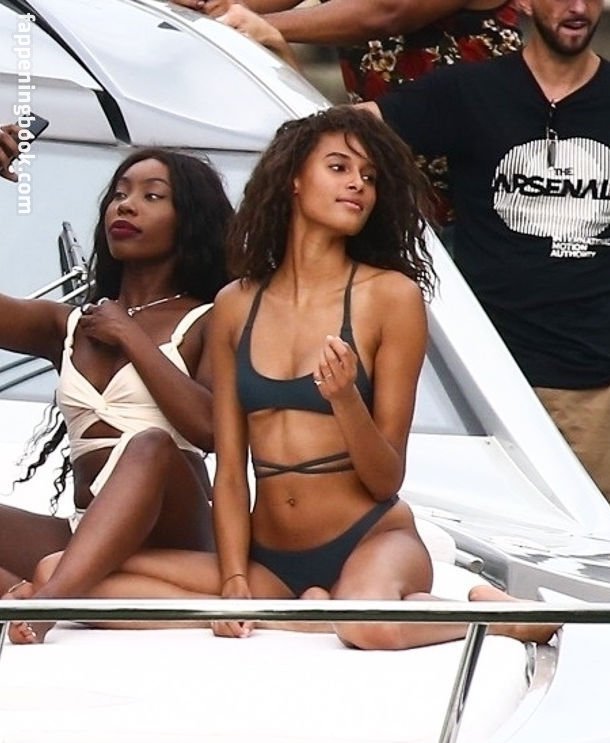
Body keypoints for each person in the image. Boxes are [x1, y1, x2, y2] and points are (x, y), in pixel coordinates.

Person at [35, 106, 555, 649]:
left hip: (370, 539)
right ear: (294, 180)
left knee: (368, 625)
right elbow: (229, 472)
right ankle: (308, 613)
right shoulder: (236, 304)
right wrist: (234, 580)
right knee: (61, 574)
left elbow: (386, 479)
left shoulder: (390, 297)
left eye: (369, 176)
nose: (358, 184)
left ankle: (497, 617)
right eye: (339, 167)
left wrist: (345, 400)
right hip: (269, 558)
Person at [357, 0, 610, 500]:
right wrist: (280, 51)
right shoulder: (470, 91)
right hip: (486, 391)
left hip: (594, 393)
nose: (577, 7)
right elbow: (338, 137)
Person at [1, 147, 234, 642]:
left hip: (176, 534)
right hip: (83, 531)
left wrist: (129, 336)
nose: (126, 205)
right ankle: (29, 595)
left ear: (189, 220)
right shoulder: (69, 326)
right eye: (119, 194)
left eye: (152, 196)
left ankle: (48, 603)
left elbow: (211, 430)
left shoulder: (213, 318)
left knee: (151, 445)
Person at [175, 0, 522, 224]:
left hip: (478, 166)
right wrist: (207, 7)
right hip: (386, 159)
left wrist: (258, 26)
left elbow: (389, 11)